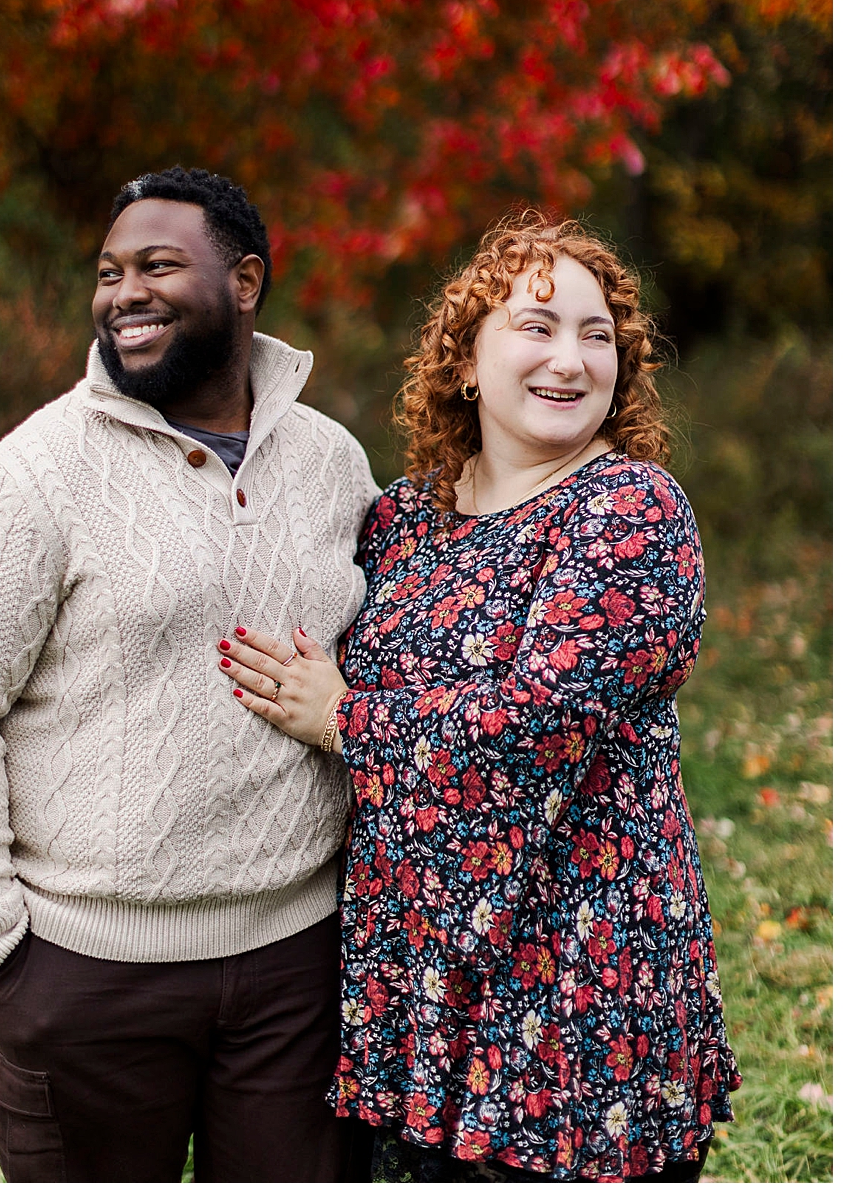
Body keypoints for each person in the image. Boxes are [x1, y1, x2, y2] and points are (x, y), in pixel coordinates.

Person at [220, 214, 738, 1181]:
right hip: (419, 984)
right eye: (537, 326)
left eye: (597, 337)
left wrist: (348, 718)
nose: (572, 359)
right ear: (465, 361)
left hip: (576, 996)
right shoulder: (405, 520)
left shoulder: (630, 511)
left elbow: (536, 720)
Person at [0, 166, 381, 1180]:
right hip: (88, 977)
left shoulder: (331, 462)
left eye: (157, 265)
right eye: (108, 272)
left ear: (243, 281)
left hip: (300, 962)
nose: (123, 293)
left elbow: (389, 654)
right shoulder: (28, 481)